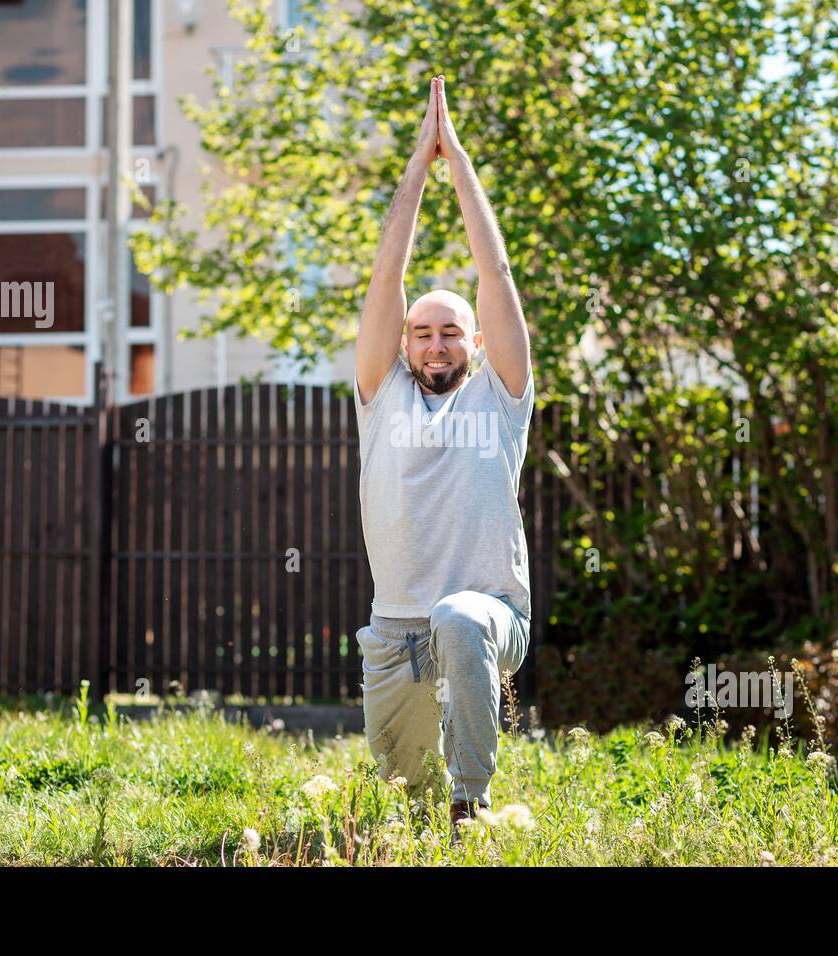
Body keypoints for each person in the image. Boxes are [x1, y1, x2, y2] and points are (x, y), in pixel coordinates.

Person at [352, 75, 535, 841]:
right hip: (394, 632)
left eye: (451, 331)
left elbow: (494, 273)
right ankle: (439, 805)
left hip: (489, 617)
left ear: (478, 343)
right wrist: (414, 172)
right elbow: (385, 276)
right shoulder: (380, 393)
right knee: (401, 800)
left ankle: (474, 804)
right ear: (404, 343)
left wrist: (454, 158)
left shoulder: (501, 393)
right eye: (423, 331)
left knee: (459, 616)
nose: (435, 341)